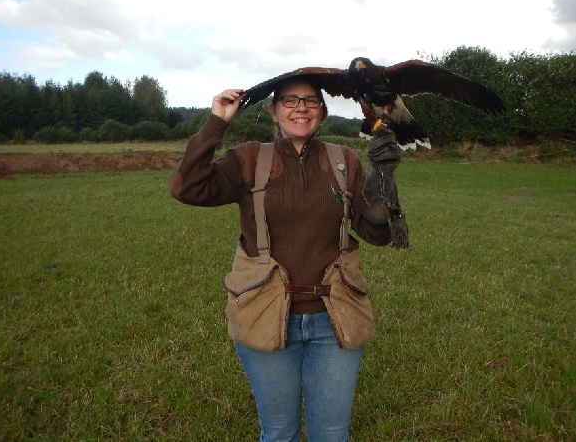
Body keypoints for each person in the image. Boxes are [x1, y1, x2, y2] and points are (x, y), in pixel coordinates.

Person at [169, 77, 404, 441]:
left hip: (335, 318)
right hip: (265, 314)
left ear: (323, 114)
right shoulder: (248, 158)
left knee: (332, 433)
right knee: (279, 432)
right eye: (289, 100)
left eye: (310, 101)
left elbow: (377, 233)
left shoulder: (344, 160)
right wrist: (217, 121)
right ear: (273, 110)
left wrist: (385, 178)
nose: (300, 107)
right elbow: (187, 187)